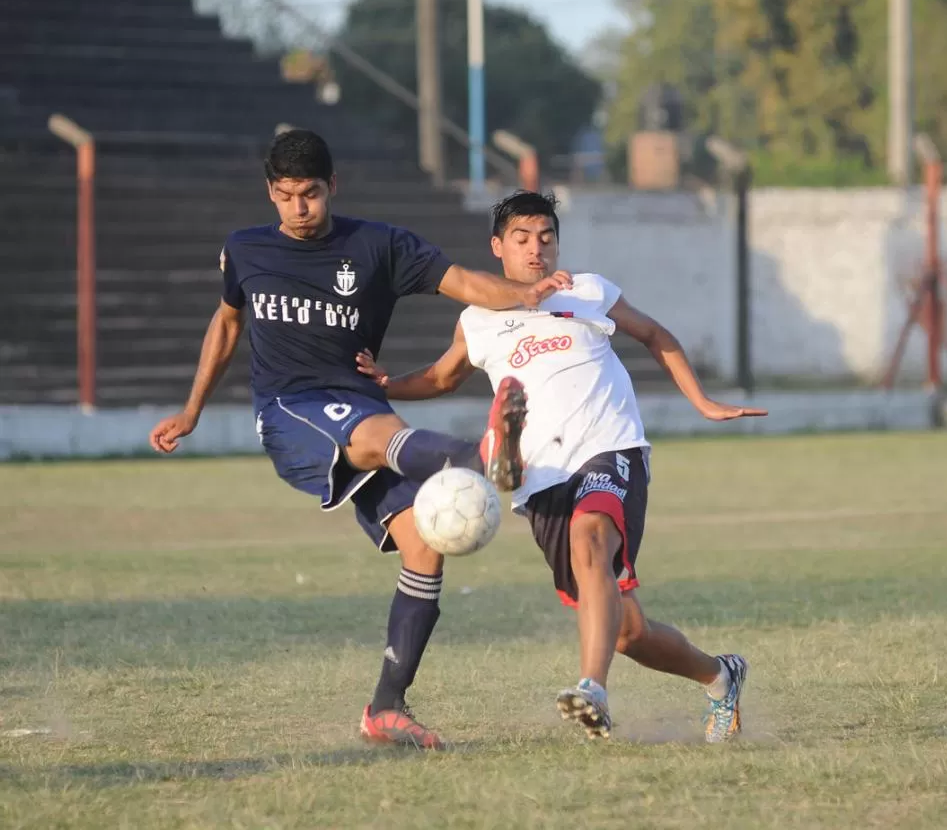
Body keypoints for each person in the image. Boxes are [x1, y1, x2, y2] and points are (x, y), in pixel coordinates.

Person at [148, 132, 572, 750]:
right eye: (287, 196)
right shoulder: (244, 250)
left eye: (311, 195)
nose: (299, 208)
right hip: (292, 411)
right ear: (271, 192)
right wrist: (191, 411)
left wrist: (525, 294)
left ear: (332, 187)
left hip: (360, 406)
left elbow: (464, 282)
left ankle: (386, 708)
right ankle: (481, 456)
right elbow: (227, 322)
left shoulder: (378, 245)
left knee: (425, 546)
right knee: (385, 435)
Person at [356, 189, 767, 742]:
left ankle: (592, 689)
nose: (536, 251)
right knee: (628, 630)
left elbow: (655, 335)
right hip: (541, 476)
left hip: (610, 447)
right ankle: (721, 676)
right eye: (522, 240)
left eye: (546, 238)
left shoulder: (589, 291)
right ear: (497, 247)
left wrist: (703, 401)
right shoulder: (478, 320)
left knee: (589, 537)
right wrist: (387, 383)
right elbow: (440, 377)